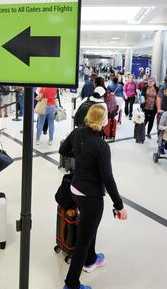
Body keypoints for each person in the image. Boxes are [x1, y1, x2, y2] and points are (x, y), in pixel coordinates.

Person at [60, 104, 128, 289]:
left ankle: (91, 259)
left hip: (75, 189)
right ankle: (71, 283)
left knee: (90, 227)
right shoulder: (101, 146)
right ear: (104, 121)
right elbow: (108, 179)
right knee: (84, 239)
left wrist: (80, 155)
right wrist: (119, 205)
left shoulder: (77, 133)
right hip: (91, 195)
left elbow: (63, 150)